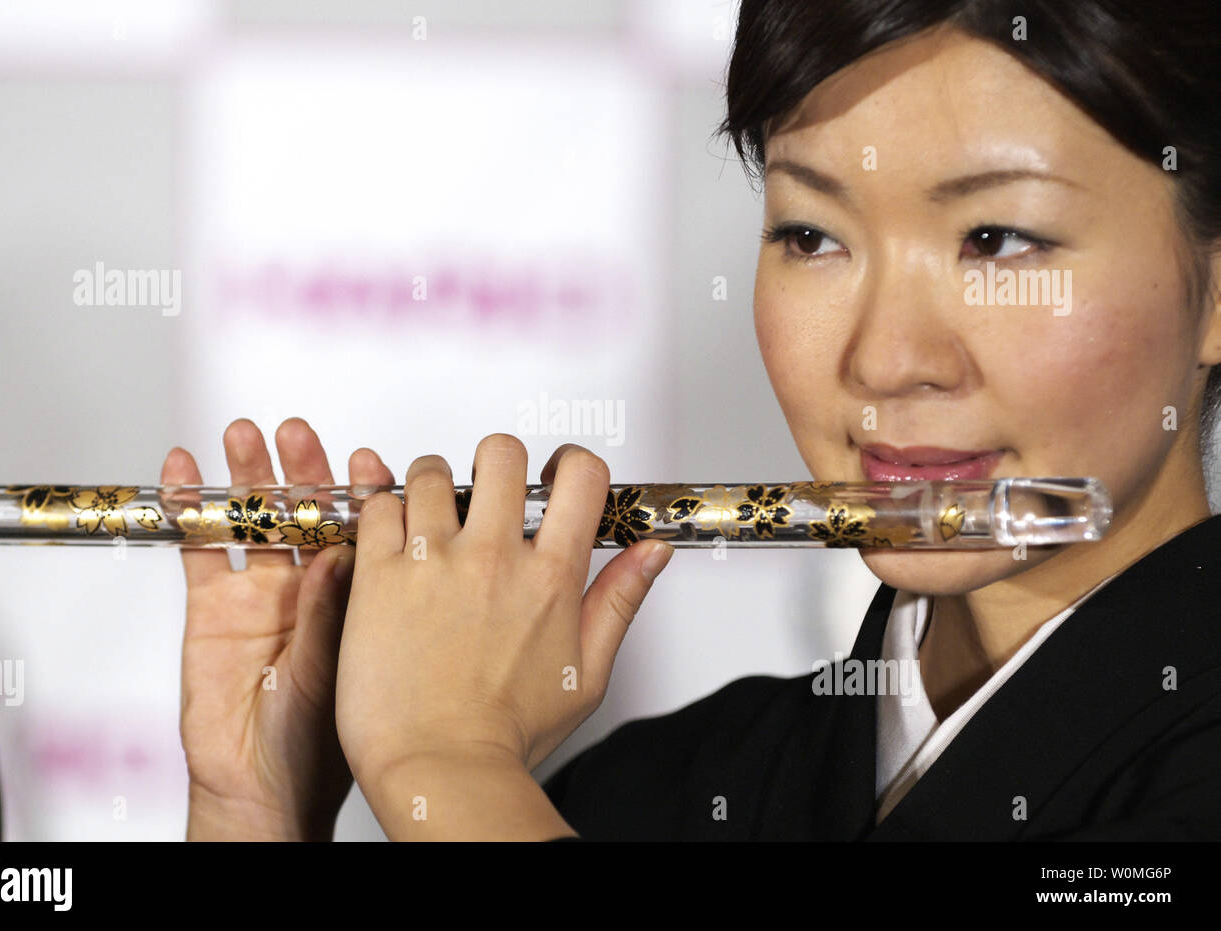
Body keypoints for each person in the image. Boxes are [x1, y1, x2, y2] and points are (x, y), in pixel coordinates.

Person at [168, 0, 1221, 840]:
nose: (885, 357)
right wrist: (254, 812)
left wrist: (442, 761)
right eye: (812, 235)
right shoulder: (660, 792)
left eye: (996, 239)